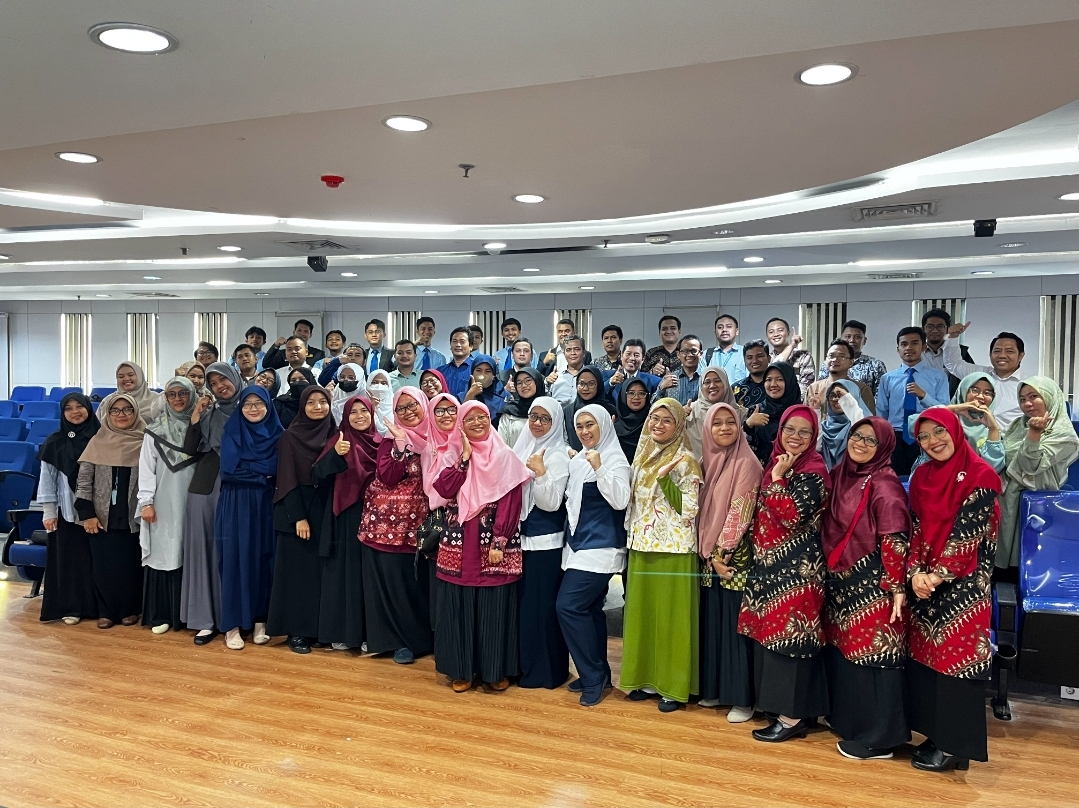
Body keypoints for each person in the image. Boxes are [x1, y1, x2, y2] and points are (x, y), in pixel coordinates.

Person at [906, 407, 1001, 772]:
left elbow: (968, 537)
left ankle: (955, 746)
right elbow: (916, 528)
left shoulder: (981, 475)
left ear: (955, 431)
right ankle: (936, 735)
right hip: (927, 583)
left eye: (939, 432)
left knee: (957, 664)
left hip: (965, 586)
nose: (933, 441)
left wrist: (935, 576)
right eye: (924, 436)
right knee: (930, 659)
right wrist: (915, 571)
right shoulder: (922, 476)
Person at [738, 405, 831, 743]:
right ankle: (786, 711)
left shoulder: (814, 470)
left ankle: (792, 719)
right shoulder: (779, 461)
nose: (795, 436)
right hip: (770, 569)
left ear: (814, 436)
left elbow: (792, 516)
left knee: (791, 643)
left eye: (804, 432)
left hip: (798, 572)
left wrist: (778, 478)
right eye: (790, 429)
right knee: (773, 641)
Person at [821, 417, 911, 760]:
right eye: (857, 435)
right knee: (849, 657)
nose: (860, 443)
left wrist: (895, 586)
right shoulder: (842, 473)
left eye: (870, 440)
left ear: (883, 447)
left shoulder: (885, 484)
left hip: (874, 582)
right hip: (842, 579)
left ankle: (880, 739)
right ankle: (853, 724)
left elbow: (894, 537)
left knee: (875, 658)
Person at [433, 401, 531, 692]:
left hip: (492, 542)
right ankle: (461, 669)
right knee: (459, 605)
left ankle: (494, 670)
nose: (476, 422)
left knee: (494, 607)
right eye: (470, 418)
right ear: (461, 424)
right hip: (459, 541)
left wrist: (500, 539)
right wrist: (464, 459)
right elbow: (444, 489)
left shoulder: (504, 455)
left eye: (482, 417)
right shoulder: (454, 454)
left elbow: (511, 500)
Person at [621, 399, 703, 712]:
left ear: (679, 425)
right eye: (655, 418)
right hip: (641, 544)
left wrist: (666, 479)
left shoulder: (686, 459)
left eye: (667, 420)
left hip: (674, 549)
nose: (658, 425)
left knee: (672, 620)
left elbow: (689, 509)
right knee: (642, 616)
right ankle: (644, 680)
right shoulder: (642, 453)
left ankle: (673, 686)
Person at [556, 404, 632, 707]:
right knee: (589, 610)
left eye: (591, 425)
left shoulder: (614, 458)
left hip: (602, 548)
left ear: (604, 425)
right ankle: (600, 674)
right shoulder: (578, 461)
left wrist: (600, 468)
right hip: (577, 545)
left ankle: (592, 676)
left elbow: (620, 501)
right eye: (580, 426)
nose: (585, 431)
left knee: (568, 606)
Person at [358, 388, 435, 664]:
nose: (407, 412)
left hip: (420, 529)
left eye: (412, 405)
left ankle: (418, 641)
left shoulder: (436, 437)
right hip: (382, 527)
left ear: (424, 405)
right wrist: (400, 445)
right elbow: (388, 477)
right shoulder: (389, 440)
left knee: (413, 586)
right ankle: (394, 642)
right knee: (389, 586)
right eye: (401, 408)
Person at [697, 403, 762, 723]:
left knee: (735, 630)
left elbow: (740, 513)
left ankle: (742, 699)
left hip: (733, 560)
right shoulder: (706, 462)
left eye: (730, 422)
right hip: (708, 558)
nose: (724, 428)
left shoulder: (746, 463)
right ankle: (715, 689)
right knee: (714, 625)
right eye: (717, 423)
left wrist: (720, 555)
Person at [266, 386, 336, 654]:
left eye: (323, 402)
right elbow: (286, 479)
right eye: (311, 403)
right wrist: (299, 518)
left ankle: (319, 629)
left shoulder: (334, 433)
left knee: (320, 574)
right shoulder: (290, 436)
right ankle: (297, 631)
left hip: (325, 509)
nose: (318, 407)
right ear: (302, 407)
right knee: (297, 574)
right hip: (297, 510)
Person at [181, 362, 243, 645]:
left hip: (238, 486)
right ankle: (205, 620)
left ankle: (233, 618)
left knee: (232, 552)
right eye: (213, 383)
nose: (220, 386)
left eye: (223, 380)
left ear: (234, 378)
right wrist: (196, 417)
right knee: (204, 552)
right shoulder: (209, 413)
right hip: (205, 488)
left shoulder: (251, 407)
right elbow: (190, 450)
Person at [218, 385, 283, 650]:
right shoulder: (232, 431)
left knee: (264, 558)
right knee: (235, 558)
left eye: (259, 403)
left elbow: (277, 468)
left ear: (268, 405)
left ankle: (260, 621)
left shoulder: (279, 434)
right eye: (247, 404)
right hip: (236, 503)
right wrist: (261, 474)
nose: (253, 408)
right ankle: (232, 625)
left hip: (266, 503)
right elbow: (228, 471)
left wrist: (248, 468)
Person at [313, 395, 380, 650]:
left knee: (370, 575)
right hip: (348, 515)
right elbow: (316, 474)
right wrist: (335, 455)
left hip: (377, 517)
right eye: (353, 412)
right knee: (346, 573)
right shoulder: (339, 440)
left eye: (364, 411)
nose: (359, 416)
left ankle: (369, 634)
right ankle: (344, 632)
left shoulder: (381, 442)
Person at [75, 392, 146, 629]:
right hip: (101, 516)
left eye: (127, 409)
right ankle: (105, 612)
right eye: (115, 410)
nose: (121, 414)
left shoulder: (146, 441)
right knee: (103, 566)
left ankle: (130, 610)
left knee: (130, 565)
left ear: (135, 412)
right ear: (107, 414)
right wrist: (86, 514)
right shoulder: (97, 442)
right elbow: (84, 482)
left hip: (133, 516)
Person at [514, 396, 571, 689]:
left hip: (545, 544)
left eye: (544, 418)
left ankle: (547, 672)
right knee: (527, 609)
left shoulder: (557, 454)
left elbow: (551, 503)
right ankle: (525, 666)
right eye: (533, 416)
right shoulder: (523, 446)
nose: (537, 423)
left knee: (542, 610)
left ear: (556, 422)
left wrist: (540, 472)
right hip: (521, 541)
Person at [997, 377, 1079, 574]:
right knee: (1000, 563)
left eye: (1033, 396)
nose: (1027, 403)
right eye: (1022, 399)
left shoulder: (1064, 436)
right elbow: (1001, 455)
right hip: (1006, 498)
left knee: (1028, 561)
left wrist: (1034, 434)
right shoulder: (1017, 425)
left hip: (1036, 503)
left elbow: (1030, 466)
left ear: (1049, 397)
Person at [138, 377, 199, 634]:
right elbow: (146, 469)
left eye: (183, 393)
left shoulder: (201, 425)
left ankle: (192, 615)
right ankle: (163, 614)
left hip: (196, 500)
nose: (177, 399)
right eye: (171, 394)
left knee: (193, 553)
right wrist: (146, 502)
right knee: (166, 553)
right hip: (164, 501)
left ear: (192, 395)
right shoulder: (155, 430)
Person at [38, 393, 101, 625]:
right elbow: (47, 478)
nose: (75, 412)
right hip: (66, 512)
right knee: (70, 563)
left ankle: (98, 607)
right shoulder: (54, 441)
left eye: (79, 407)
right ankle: (72, 607)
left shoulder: (102, 437)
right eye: (68, 408)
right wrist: (49, 512)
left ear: (88, 409)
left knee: (96, 561)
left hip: (99, 512)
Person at [876, 327, 949, 475]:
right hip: (895, 436)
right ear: (898, 349)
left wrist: (924, 396)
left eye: (914, 343)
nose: (909, 347)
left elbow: (945, 410)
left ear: (924, 347)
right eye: (904, 344)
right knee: (895, 479)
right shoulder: (887, 379)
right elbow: (882, 411)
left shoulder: (938, 377)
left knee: (926, 478)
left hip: (927, 434)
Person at [911, 372, 1005, 475]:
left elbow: (993, 468)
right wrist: (951, 409)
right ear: (963, 390)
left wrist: (993, 430)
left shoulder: (991, 427)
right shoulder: (946, 416)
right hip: (933, 476)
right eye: (974, 390)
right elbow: (912, 426)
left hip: (969, 481)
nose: (980, 396)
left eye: (987, 393)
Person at [944, 322, 1026, 430]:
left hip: (1010, 439)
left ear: (1021, 356)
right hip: (975, 437)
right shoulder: (979, 375)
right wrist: (953, 337)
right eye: (997, 351)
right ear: (990, 354)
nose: (1002, 355)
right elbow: (953, 364)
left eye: (1009, 351)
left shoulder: (1027, 385)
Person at [743, 362, 801, 465]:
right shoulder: (756, 410)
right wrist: (748, 425)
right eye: (768, 380)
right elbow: (739, 445)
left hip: (792, 468)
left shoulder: (801, 414)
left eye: (780, 379)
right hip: (757, 469)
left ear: (790, 381)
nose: (773, 384)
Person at [805, 339, 875, 418]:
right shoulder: (814, 388)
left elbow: (869, 419)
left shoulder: (861, 389)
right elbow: (804, 417)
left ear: (851, 362)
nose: (835, 360)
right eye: (831, 356)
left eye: (841, 356)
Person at [816, 320, 887, 396]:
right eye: (848, 336)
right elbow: (820, 390)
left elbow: (881, 396)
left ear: (864, 340)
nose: (852, 340)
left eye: (857, 337)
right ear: (841, 338)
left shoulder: (876, 365)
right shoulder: (830, 363)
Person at [685, 366, 740, 460]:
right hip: (695, 467)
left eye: (717, 381)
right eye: (707, 382)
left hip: (731, 466)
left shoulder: (739, 412)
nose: (712, 385)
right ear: (701, 386)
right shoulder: (689, 411)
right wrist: (678, 419)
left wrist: (749, 425)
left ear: (726, 383)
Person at [818, 380, 870, 471]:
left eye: (841, 395)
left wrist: (848, 402)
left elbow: (862, 431)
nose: (836, 399)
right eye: (832, 395)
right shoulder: (825, 426)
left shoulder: (866, 424)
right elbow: (816, 447)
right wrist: (816, 411)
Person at [920, 308, 975, 395]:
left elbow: (972, 380)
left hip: (951, 402)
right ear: (923, 329)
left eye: (940, 326)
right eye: (930, 326)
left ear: (948, 329)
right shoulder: (915, 353)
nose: (935, 330)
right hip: (921, 401)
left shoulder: (960, 353)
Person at [563, 367, 614, 451]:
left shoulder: (609, 411)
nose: (585, 388)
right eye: (581, 384)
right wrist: (569, 450)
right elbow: (562, 439)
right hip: (573, 457)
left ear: (599, 385)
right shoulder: (567, 411)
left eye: (591, 384)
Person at [765, 318, 816, 400]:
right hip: (773, 404)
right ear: (767, 336)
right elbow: (773, 368)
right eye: (771, 332)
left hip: (797, 404)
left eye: (780, 330)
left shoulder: (803, 356)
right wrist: (792, 346)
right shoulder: (767, 359)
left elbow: (806, 387)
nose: (776, 334)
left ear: (788, 333)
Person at [497, 367, 545, 448]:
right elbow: (501, 446)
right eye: (519, 383)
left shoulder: (549, 409)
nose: (524, 385)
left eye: (528, 381)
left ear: (537, 382)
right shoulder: (509, 412)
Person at [654, 335, 703, 406]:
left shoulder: (707, 378)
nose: (689, 354)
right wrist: (662, 388)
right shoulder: (670, 378)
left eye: (694, 351)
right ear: (678, 354)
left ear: (701, 354)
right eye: (685, 351)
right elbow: (653, 405)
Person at [613, 379, 651, 463]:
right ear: (623, 395)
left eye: (641, 393)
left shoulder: (652, 423)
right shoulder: (613, 428)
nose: (636, 397)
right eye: (631, 393)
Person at [705, 314, 747, 385]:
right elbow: (702, 383)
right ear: (715, 332)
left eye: (729, 326)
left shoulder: (746, 353)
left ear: (737, 331)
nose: (724, 330)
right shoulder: (707, 355)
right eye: (720, 327)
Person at [463, 354, 505, 423]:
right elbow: (460, 421)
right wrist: (470, 396)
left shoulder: (505, 397)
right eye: (478, 370)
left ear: (494, 376)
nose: (482, 375)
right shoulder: (461, 397)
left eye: (488, 371)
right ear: (472, 374)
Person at [437, 327, 476, 401]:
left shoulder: (477, 369)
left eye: (462, 341)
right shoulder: (440, 371)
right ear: (450, 346)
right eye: (454, 341)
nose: (458, 345)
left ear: (471, 346)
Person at [549, 335, 588, 404]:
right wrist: (547, 383)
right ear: (564, 354)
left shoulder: (590, 377)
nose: (573, 353)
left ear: (584, 353)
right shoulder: (555, 378)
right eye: (568, 350)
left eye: (576, 349)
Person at [732, 340, 770, 411]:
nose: (754, 361)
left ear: (769, 358)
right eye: (749, 358)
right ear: (744, 361)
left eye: (759, 356)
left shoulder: (778, 385)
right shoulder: (736, 388)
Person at [366, 369, 395, 436]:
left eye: (384, 383)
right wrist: (371, 409)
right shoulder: (361, 404)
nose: (379, 387)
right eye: (374, 382)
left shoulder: (396, 404)